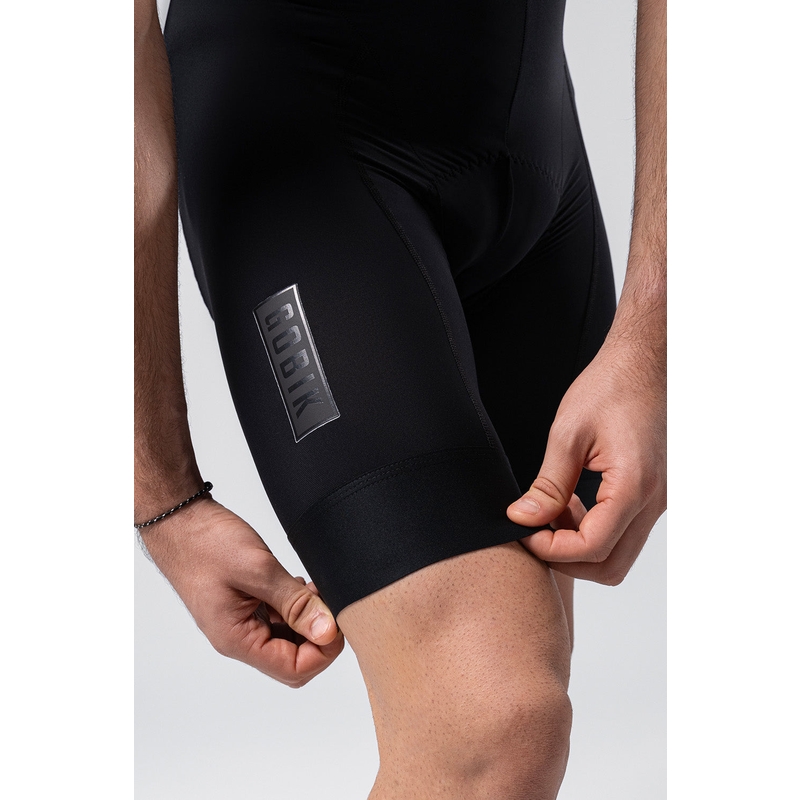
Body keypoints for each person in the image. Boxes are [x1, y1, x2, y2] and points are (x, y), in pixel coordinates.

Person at [135, 0, 665, 795]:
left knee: (509, 714)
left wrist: (654, 339)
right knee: (491, 727)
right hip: (299, 144)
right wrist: (162, 497)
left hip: (536, 140)